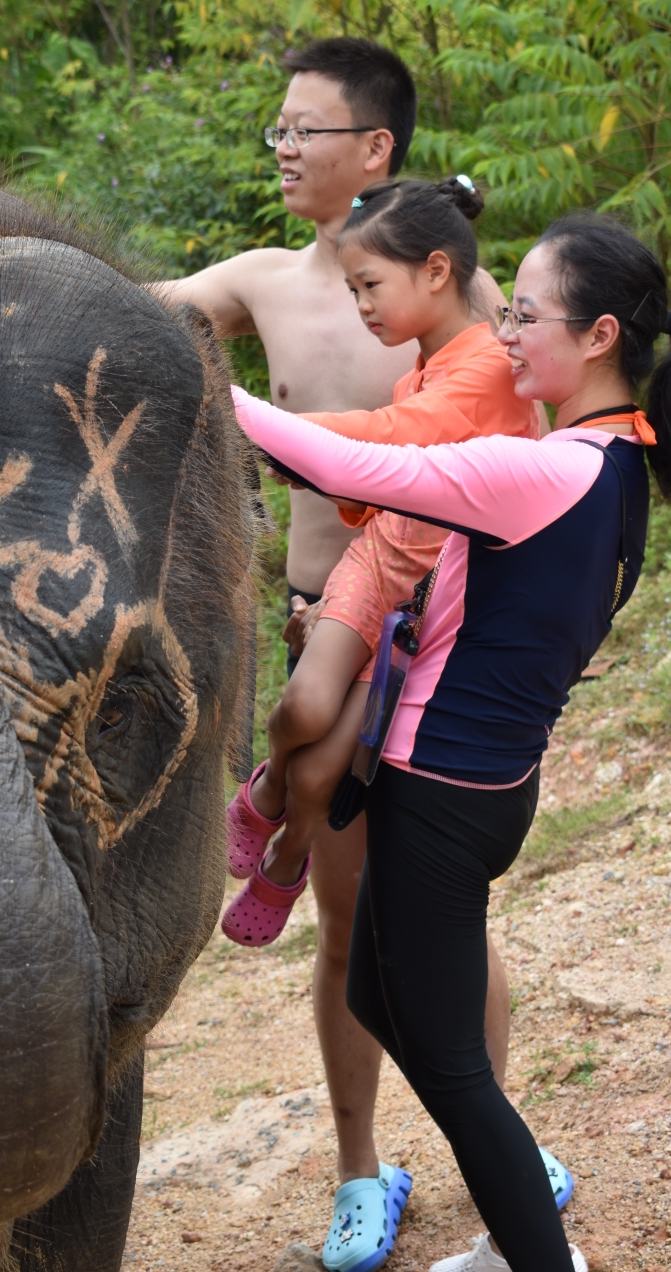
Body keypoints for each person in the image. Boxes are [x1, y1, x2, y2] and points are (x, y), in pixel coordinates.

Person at [229, 214, 671, 1272]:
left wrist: (201, 386)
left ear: (598, 335)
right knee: (380, 994)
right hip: (481, 790)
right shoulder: (612, 472)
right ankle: (515, 1222)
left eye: (524, 314)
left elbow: (337, 458)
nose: (504, 332)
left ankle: (532, 1253)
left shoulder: (542, 474)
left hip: (440, 800)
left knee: (456, 1070)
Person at [151, 38, 568, 1271]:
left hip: (444, 641)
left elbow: (541, 469)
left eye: (304, 128)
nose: (281, 147)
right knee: (344, 925)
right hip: (321, 620)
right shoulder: (259, 284)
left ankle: (490, 1145)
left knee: (445, 910)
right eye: (274, 130)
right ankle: (355, 1170)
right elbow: (123, 323)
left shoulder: (474, 304)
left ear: (373, 147)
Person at [221, 173, 538, 945]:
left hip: (437, 596)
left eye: (369, 285)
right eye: (353, 287)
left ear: (435, 271)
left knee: (327, 767)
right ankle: (265, 789)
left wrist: (278, 432)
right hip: (382, 560)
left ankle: (288, 855)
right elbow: (379, 495)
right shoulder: (420, 367)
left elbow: (400, 434)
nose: (361, 305)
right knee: (299, 711)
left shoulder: (490, 364)